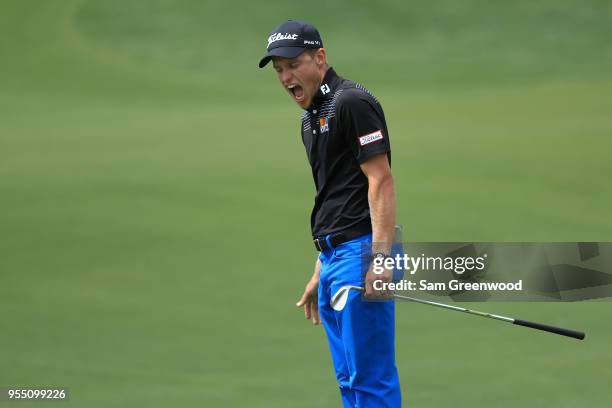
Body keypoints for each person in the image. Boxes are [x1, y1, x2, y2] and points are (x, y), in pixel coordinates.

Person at [259, 20, 402, 408]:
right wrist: (321, 266)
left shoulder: (351, 103)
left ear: (320, 58)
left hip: (362, 256)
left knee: (370, 380)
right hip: (337, 260)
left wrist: (381, 259)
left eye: (293, 65)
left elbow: (381, 181)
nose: (286, 77)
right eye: (278, 71)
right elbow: (337, 198)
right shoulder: (310, 119)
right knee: (350, 382)